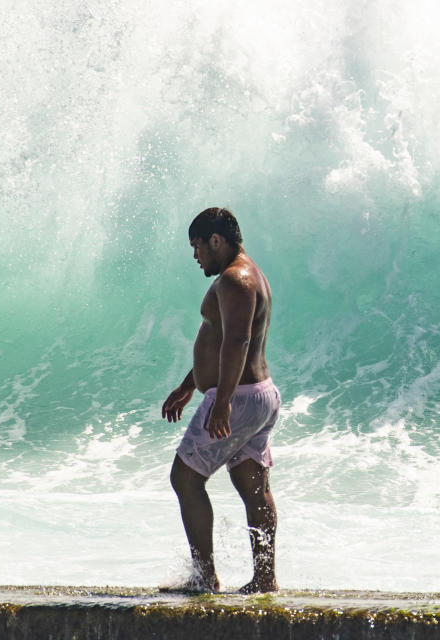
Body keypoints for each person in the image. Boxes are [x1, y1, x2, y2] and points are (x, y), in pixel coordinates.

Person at [160, 207, 281, 594]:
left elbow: (237, 342)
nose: (196, 256)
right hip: (257, 396)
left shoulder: (235, 281)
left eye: (198, 247)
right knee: (252, 486)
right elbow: (216, 339)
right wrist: (190, 384)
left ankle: (205, 578)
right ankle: (264, 579)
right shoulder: (248, 275)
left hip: (239, 397)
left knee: (185, 478)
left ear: (217, 241)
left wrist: (223, 401)